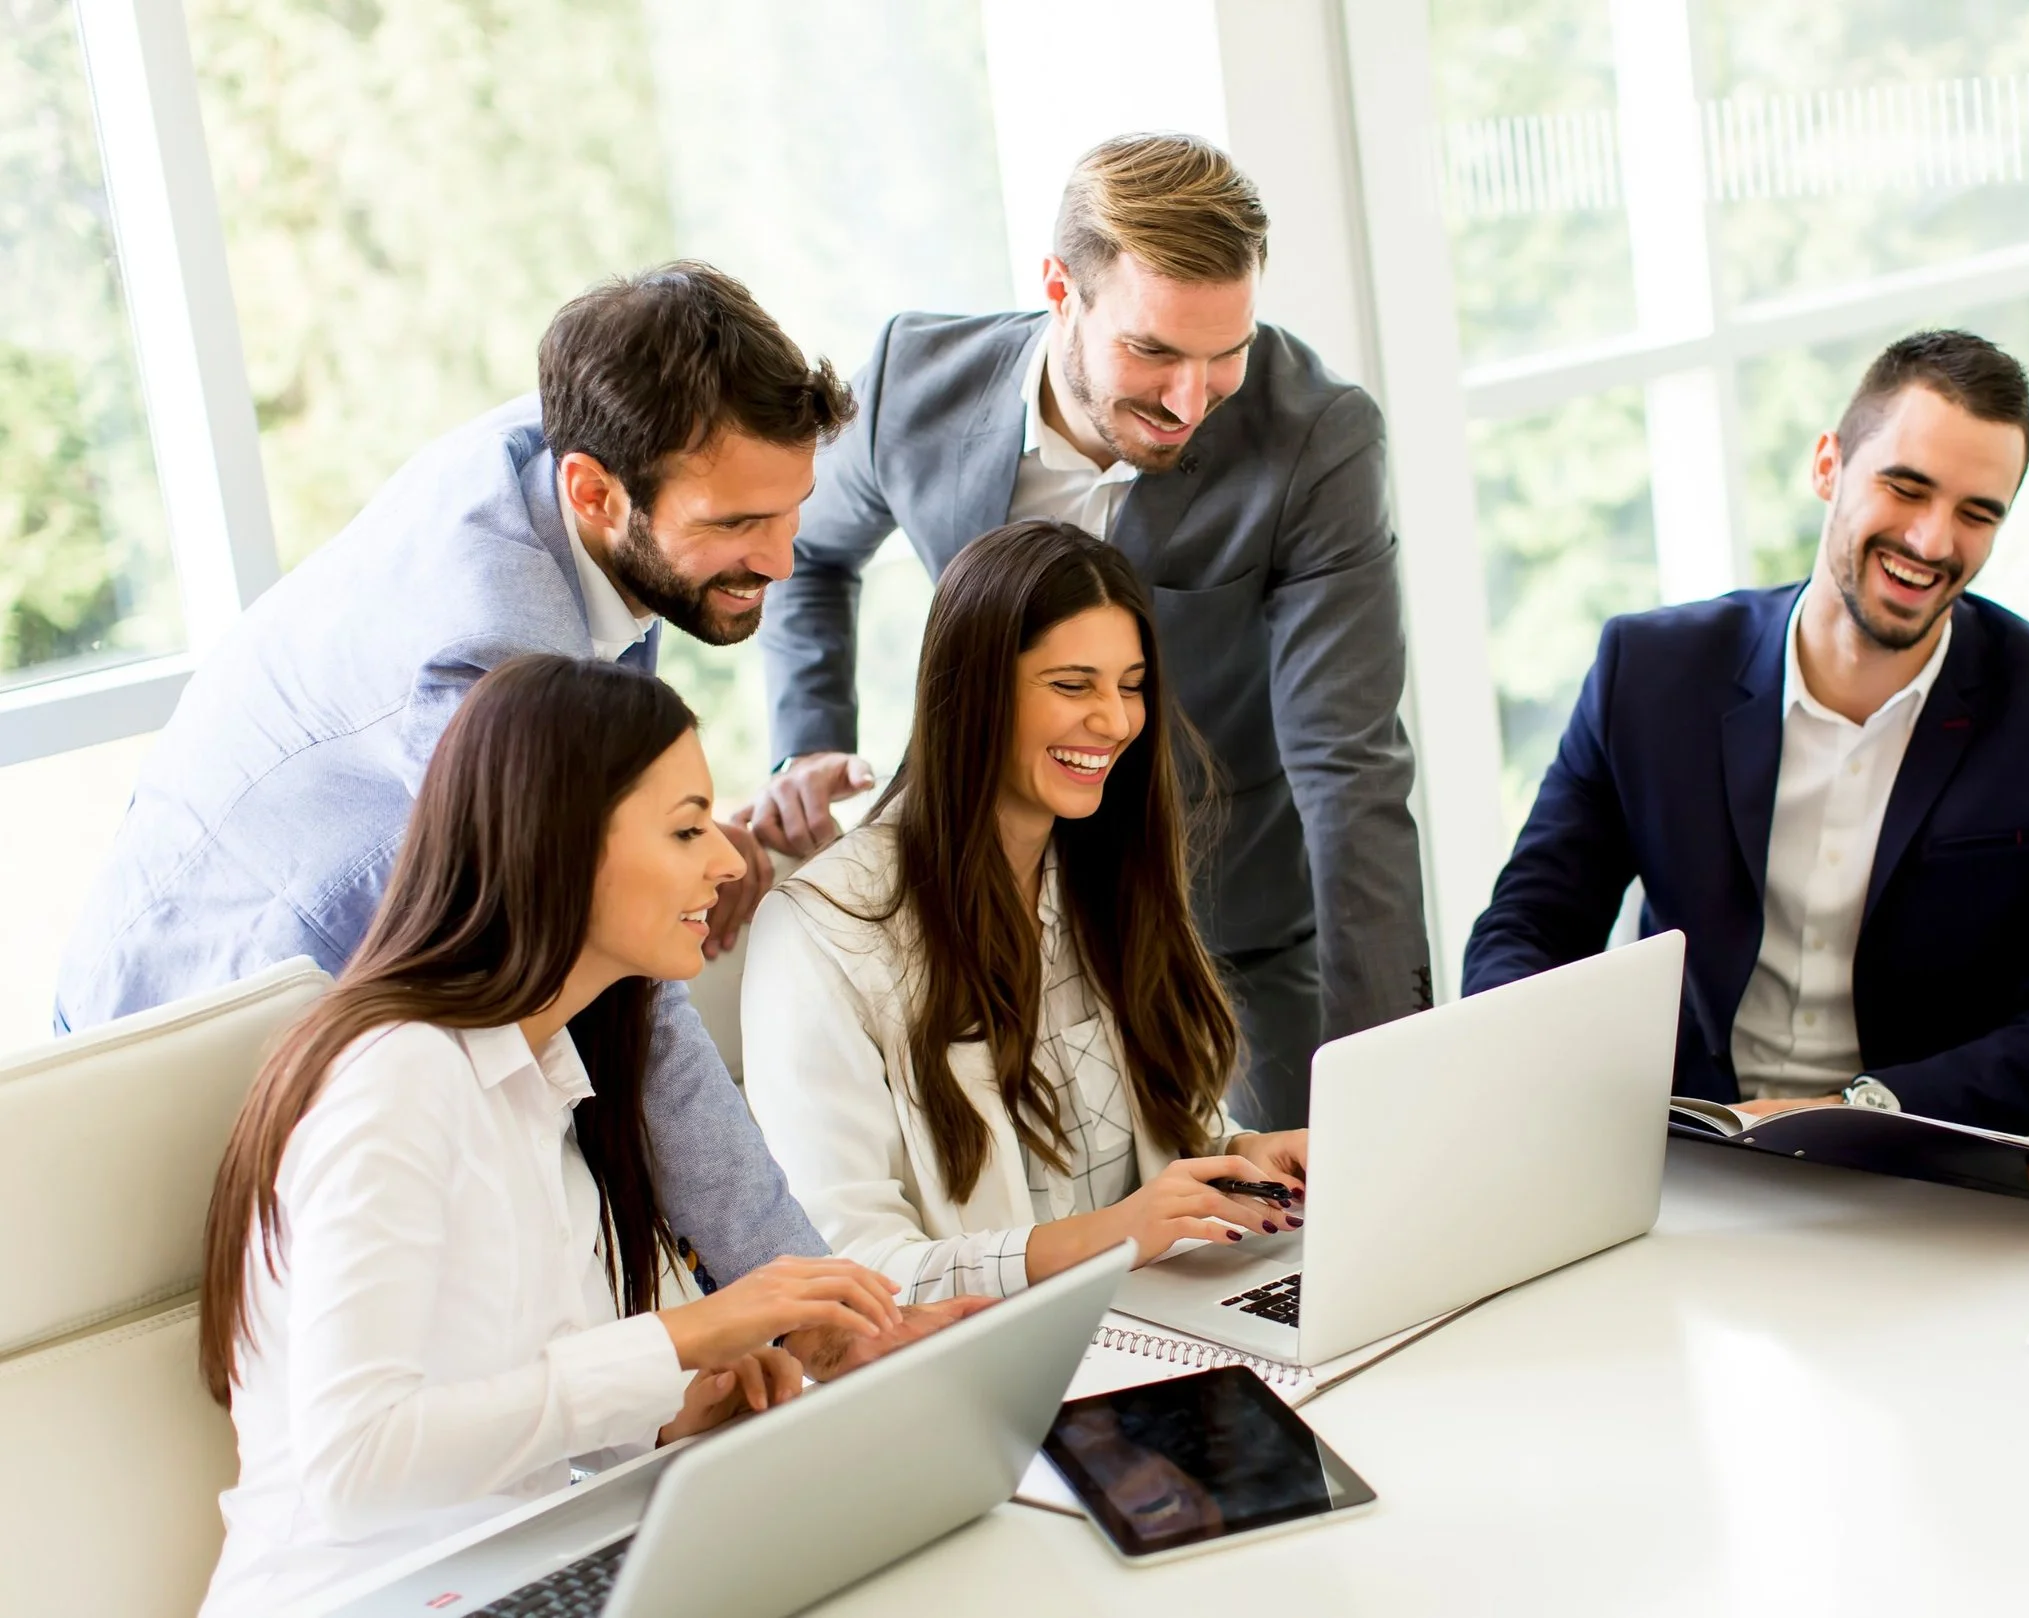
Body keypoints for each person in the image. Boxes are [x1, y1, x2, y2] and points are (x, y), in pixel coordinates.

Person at [60, 263, 840, 1301]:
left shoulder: (599, 438)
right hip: (196, 1017)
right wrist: (810, 1292)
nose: (783, 560)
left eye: (792, 512)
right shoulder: (485, 651)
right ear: (596, 495)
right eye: (738, 525)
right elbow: (627, 988)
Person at [194, 657, 980, 1617]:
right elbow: (355, 1462)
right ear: (559, 844)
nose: (729, 862)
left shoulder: (550, 1080)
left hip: (513, 1573)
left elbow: (520, 1401)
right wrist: (681, 1337)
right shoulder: (396, 1081)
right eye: (688, 829)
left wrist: (680, 1407)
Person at [750, 133, 1429, 1131]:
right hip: (977, 916)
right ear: (1060, 290)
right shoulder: (914, 383)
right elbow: (800, 549)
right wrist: (809, 735)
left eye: (1225, 354)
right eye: (1152, 352)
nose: (1189, 400)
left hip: (1224, 926)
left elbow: (1349, 765)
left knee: (1312, 1225)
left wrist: (1386, 1071)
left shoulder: (1316, 440)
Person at [1464, 330, 2029, 1133]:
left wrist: (1850, 1112)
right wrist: (1543, 1086)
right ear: (1829, 465)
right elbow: (1530, 927)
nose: (1932, 542)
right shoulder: (1649, 674)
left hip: (1935, 1166)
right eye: (1905, 488)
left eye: (1975, 514)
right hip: (1685, 1146)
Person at [742, 521, 1311, 1299]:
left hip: (1160, 1331)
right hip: (985, 1381)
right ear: (973, 692)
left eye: (1132, 684)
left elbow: (1122, 1173)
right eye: (1073, 686)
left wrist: (1236, 1161)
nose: (1115, 721)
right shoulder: (821, 929)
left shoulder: (1104, 872)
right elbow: (851, 1273)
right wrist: (1111, 1236)